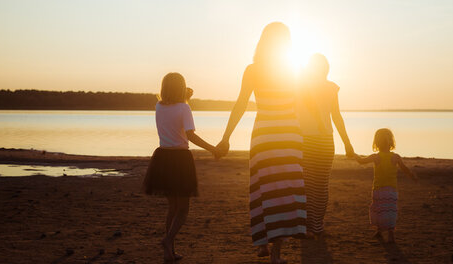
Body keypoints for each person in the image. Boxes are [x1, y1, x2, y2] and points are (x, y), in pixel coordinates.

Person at [217, 22, 306, 264]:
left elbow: (241, 104)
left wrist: (226, 137)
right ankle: (275, 253)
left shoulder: (252, 70)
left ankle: (262, 243)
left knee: (262, 188)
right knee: (284, 192)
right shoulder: (293, 69)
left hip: (265, 134)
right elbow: (300, 105)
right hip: (288, 134)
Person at [142, 72, 220, 262]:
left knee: (172, 207)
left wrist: (185, 97)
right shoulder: (184, 108)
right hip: (180, 160)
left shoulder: (158, 106)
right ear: (182, 88)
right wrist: (212, 149)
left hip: (162, 158)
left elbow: (173, 108)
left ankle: (169, 252)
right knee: (183, 208)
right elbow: (190, 135)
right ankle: (167, 241)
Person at [296, 53, 356, 238]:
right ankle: (316, 225)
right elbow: (336, 117)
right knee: (320, 186)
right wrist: (347, 143)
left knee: (308, 185)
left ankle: (309, 226)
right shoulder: (329, 87)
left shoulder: (300, 85)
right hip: (323, 141)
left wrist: (347, 143)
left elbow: (336, 117)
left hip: (308, 140)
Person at [355, 128, 417, 243]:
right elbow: (405, 169)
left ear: (376, 143)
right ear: (391, 143)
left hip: (378, 189)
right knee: (390, 210)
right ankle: (390, 233)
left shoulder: (376, 157)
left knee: (379, 209)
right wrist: (412, 176)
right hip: (391, 189)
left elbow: (361, 161)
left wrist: (353, 154)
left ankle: (379, 230)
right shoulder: (395, 157)